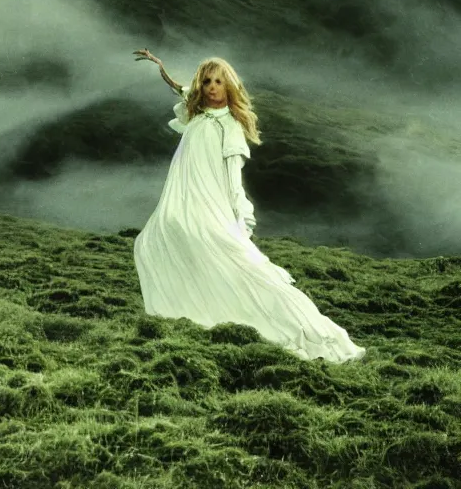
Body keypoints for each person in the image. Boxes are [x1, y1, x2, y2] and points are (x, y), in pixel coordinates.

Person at [131, 48, 366, 364]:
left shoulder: (228, 127)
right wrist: (161, 67)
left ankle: (303, 329)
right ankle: (197, 312)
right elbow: (181, 89)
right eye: (207, 82)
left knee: (242, 270)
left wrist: (241, 219)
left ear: (229, 86)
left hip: (213, 208)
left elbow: (233, 179)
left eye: (218, 81)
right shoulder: (199, 116)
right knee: (155, 241)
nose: (212, 87)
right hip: (188, 201)